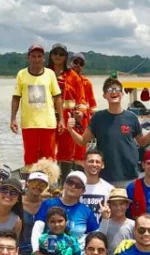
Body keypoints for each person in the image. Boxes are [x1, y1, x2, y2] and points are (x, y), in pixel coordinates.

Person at [69, 77, 150, 188]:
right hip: (105, 176)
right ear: (104, 95)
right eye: (110, 90)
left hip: (129, 174)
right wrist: (70, 129)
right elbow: (82, 141)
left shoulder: (131, 117)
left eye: (117, 90)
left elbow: (143, 142)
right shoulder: (98, 117)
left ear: (122, 94)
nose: (114, 92)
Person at [10, 43, 65, 166]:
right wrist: (13, 118)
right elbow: (16, 97)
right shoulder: (21, 74)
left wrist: (61, 119)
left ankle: (50, 178)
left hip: (48, 124)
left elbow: (57, 97)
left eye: (39, 56)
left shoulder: (50, 74)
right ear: (28, 58)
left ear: (44, 58)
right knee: (30, 158)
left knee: (49, 158)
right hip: (29, 124)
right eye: (33, 56)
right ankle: (30, 178)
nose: (36, 59)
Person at [48, 43, 88, 180]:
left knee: (66, 152)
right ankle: (49, 182)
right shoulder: (44, 74)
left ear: (65, 57)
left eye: (61, 54)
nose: (58, 56)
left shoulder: (73, 77)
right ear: (51, 55)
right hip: (47, 119)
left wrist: (81, 113)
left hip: (67, 120)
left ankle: (63, 183)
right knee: (47, 151)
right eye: (55, 53)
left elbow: (81, 100)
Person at [37, 171, 99, 243]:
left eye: (78, 185)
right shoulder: (48, 204)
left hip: (76, 249)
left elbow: (95, 236)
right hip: (49, 249)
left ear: (83, 191)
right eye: (70, 182)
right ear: (64, 184)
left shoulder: (87, 212)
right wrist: (36, 248)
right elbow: (37, 230)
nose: (73, 186)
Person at [97, 188, 135, 255]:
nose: (118, 208)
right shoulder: (105, 223)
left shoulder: (133, 224)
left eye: (121, 204)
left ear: (127, 205)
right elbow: (99, 240)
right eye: (114, 204)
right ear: (109, 206)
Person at [71, 52, 96, 163]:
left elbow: (92, 106)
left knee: (80, 151)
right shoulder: (63, 80)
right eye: (75, 62)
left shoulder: (87, 83)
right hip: (67, 119)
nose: (78, 65)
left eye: (81, 63)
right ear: (70, 63)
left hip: (82, 121)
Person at [19, 171, 48, 255]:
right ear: (27, 183)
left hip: (42, 252)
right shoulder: (16, 202)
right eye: (34, 182)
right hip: (19, 251)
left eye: (42, 184)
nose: (38, 186)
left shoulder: (47, 205)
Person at [80, 149, 114, 222]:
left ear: (102, 165)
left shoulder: (110, 189)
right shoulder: (75, 187)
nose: (94, 164)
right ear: (83, 163)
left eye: (97, 162)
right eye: (91, 161)